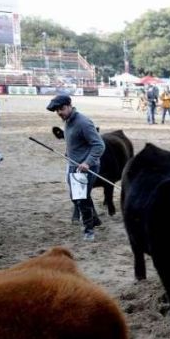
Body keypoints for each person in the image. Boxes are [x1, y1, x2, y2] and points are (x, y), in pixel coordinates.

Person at [46, 95, 105, 241]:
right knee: (76, 197)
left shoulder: (83, 122)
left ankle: (89, 230)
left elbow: (99, 145)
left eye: (61, 108)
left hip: (86, 167)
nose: (59, 112)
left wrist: (87, 162)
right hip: (73, 165)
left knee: (81, 198)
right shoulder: (68, 121)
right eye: (57, 110)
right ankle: (94, 219)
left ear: (69, 105)